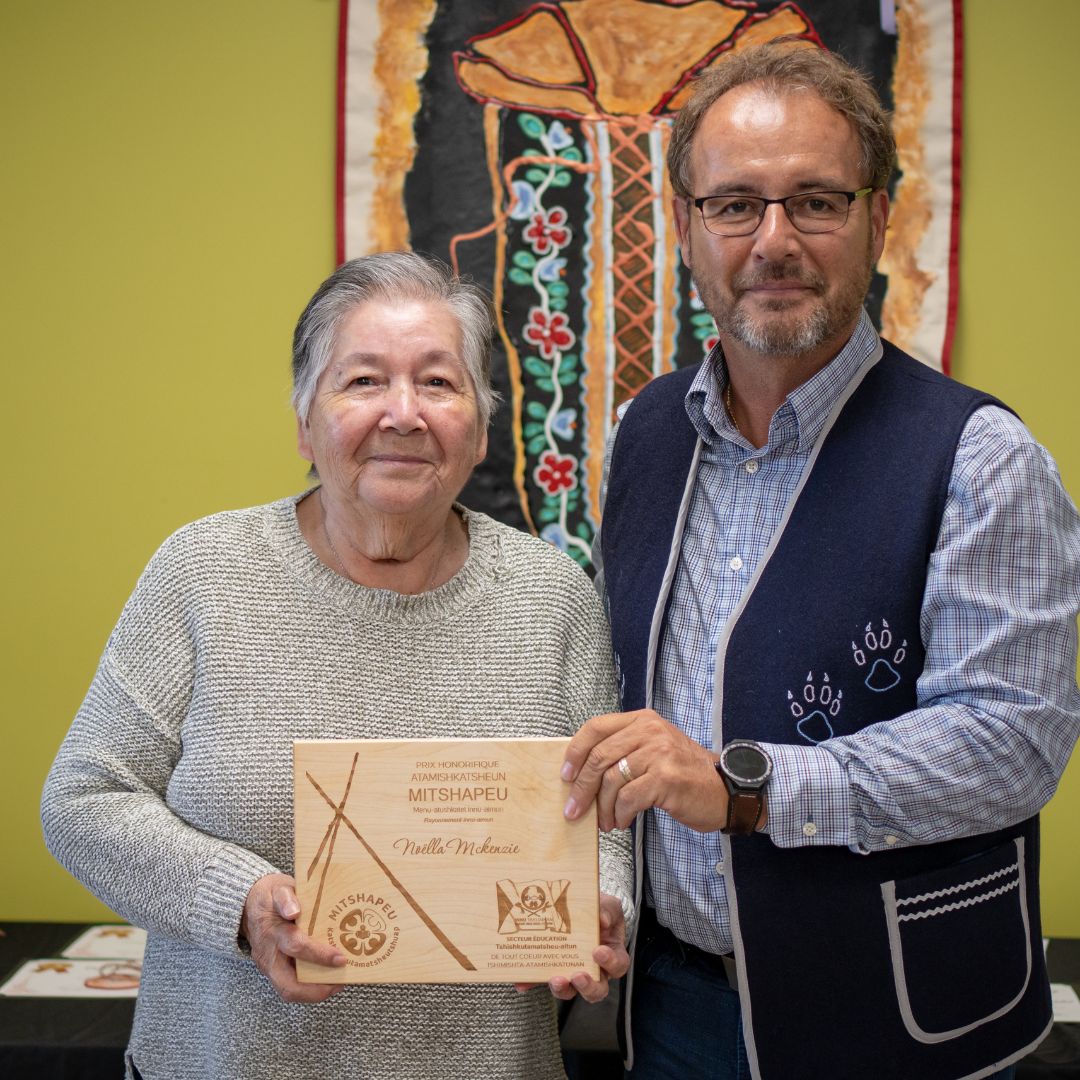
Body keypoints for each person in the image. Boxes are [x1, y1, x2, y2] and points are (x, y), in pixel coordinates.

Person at [559, 42, 1080, 1080]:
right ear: (684, 224)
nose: (774, 241)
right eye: (736, 205)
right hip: (665, 1009)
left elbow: (1012, 743)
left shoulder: (979, 456)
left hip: (896, 1023)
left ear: (878, 218)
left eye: (817, 202)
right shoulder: (648, 431)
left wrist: (744, 789)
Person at [42, 251, 632, 1080]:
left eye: (438, 382)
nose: (403, 414)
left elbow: (604, 819)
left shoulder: (551, 597)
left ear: (481, 429)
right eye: (362, 382)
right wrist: (240, 904)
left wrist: (603, 909)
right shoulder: (202, 572)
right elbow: (79, 801)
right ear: (303, 422)